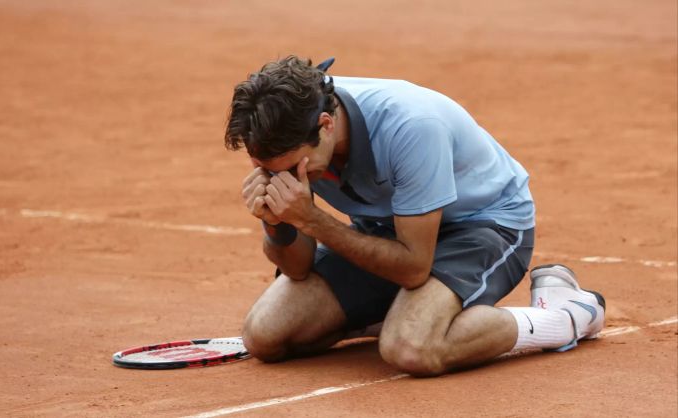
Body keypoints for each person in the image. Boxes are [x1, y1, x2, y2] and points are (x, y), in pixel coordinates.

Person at [223, 56, 606, 376]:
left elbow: (412, 268)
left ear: (326, 126)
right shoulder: (287, 137)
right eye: (268, 170)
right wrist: (277, 225)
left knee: (411, 348)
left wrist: (312, 220)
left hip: (483, 226)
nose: (283, 179)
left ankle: (566, 315)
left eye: (290, 169)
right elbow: (299, 268)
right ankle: (402, 312)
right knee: (266, 336)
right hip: (386, 230)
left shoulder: (411, 125)